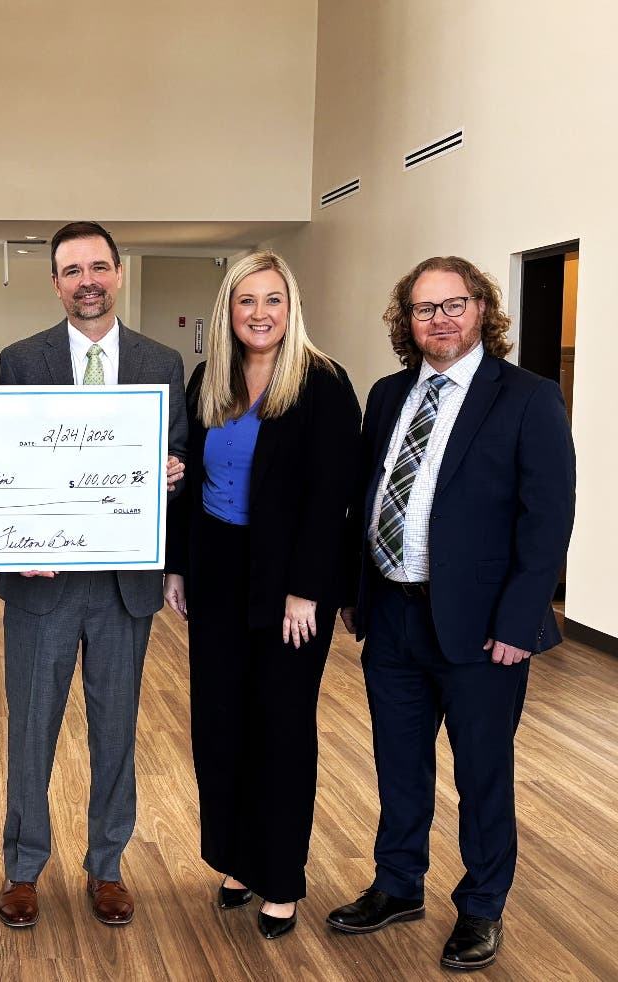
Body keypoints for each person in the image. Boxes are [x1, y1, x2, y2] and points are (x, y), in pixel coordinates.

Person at [326, 257, 575, 970]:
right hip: (392, 615)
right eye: (423, 308)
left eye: (453, 304)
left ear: (482, 309)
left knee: (482, 775)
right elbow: (367, 498)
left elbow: (547, 519)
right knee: (398, 765)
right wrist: (354, 590)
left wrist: (519, 622)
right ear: (407, 321)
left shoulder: (527, 397)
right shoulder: (388, 394)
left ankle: (482, 906)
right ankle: (397, 884)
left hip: (482, 627)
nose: (439, 319)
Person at [0, 221, 187, 929]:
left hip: (122, 585)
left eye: (98, 267)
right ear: (55, 283)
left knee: (115, 733)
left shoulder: (162, 361)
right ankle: (23, 868)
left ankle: (107, 866)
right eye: (72, 270)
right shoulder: (21, 361)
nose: (87, 281)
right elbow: (4, 461)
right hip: (41, 582)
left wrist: (172, 473)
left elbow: (175, 450)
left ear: (118, 273)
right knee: (31, 732)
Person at [163, 251, 361, 940]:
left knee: (280, 728)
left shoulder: (323, 383)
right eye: (246, 300)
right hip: (216, 570)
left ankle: (279, 878)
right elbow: (189, 480)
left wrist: (306, 590)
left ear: (291, 307)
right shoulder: (209, 379)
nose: (259, 313)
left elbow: (332, 497)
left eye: (272, 299)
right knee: (220, 723)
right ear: (228, 309)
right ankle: (237, 861)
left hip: (288, 583)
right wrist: (178, 567)